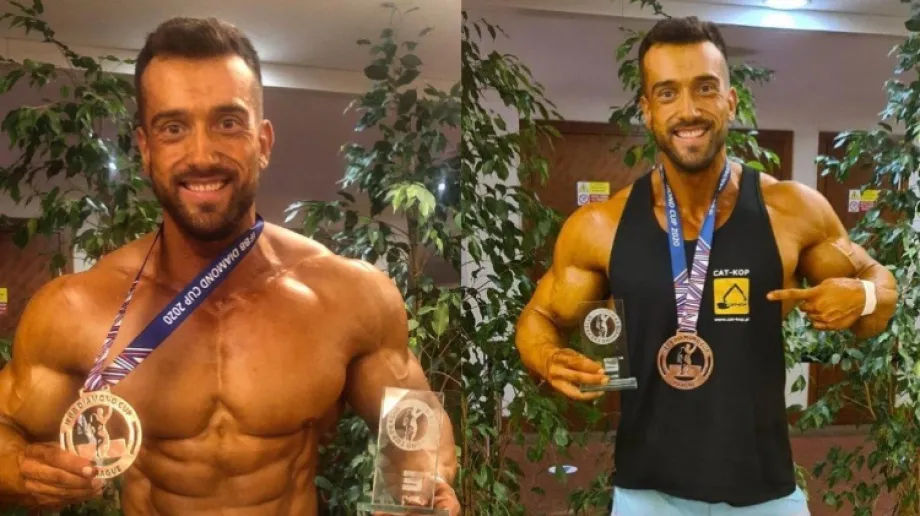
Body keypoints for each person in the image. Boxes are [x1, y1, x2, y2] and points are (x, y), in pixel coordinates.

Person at [0, 17, 460, 515]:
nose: (202, 154)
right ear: (145, 149)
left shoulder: (348, 295)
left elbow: (414, 427)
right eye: (173, 128)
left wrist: (422, 491)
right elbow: (6, 429)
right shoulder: (76, 307)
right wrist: (24, 469)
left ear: (263, 142)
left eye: (227, 123)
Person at [514, 16, 898, 516]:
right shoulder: (600, 226)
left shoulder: (792, 211)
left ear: (730, 101)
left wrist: (861, 296)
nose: (689, 110)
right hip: (647, 494)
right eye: (667, 93)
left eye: (705, 88)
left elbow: (879, 293)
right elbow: (539, 316)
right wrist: (547, 356)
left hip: (765, 492)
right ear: (647, 110)